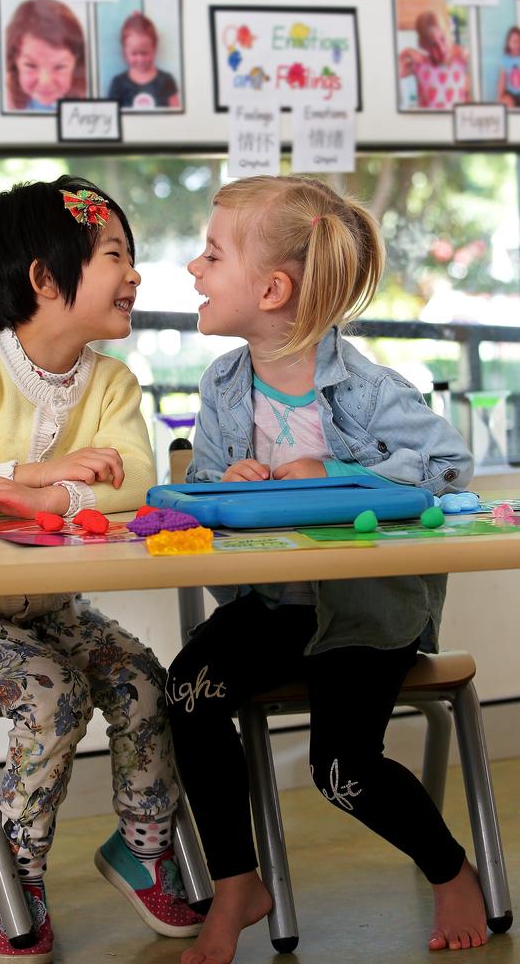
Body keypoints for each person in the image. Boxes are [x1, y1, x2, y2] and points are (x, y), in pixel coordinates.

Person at [166, 174, 488, 964]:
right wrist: (222, 486)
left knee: (342, 768)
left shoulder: (372, 393)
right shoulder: (221, 387)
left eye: (211, 255)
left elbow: (451, 467)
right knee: (185, 692)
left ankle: (450, 870)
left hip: (365, 617)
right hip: (273, 607)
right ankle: (238, 881)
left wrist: (341, 468)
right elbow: (202, 500)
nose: (193, 270)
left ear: (272, 288)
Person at [0, 175, 204, 962]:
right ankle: (18, 875)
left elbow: (137, 479)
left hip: (48, 608)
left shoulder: (111, 381)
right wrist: (28, 473)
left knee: (142, 678)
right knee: (55, 689)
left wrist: (41, 488)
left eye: (130, 255)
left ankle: (142, 845)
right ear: (45, 278)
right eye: (114, 255)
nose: (134, 273)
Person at [5, 0, 87, 111]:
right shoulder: (6, 97)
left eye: (59, 67)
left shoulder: (86, 97)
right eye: (30, 66)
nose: (45, 82)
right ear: (14, 61)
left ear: (76, 62)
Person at [398, 8, 469, 110]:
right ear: (424, 46)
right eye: (433, 45)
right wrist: (405, 53)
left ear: (449, 34)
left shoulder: (461, 59)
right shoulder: (420, 64)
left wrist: (464, 51)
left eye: (443, 39)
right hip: (429, 124)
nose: (441, 49)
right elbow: (390, 78)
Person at [107, 12, 180, 110]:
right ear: (124, 52)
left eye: (144, 53)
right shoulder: (118, 84)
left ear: (154, 49)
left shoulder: (166, 80)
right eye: (134, 53)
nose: (140, 59)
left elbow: (176, 114)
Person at [497, 26, 520, 107]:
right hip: (511, 94)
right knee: (506, 101)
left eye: (518, 41)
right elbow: (502, 81)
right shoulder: (505, 60)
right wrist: (500, 97)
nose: (517, 45)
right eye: (514, 42)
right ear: (508, 43)